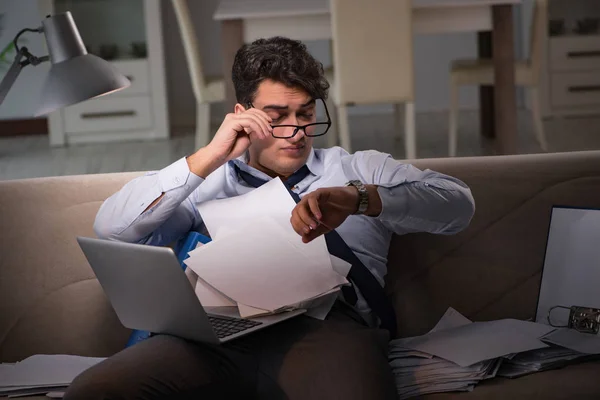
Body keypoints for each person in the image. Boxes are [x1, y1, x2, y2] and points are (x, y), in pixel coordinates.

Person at [65, 36, 475, 400]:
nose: (297, 131)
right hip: (213, 339)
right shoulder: (204, 181)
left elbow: (458, 205)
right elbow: (112, 228)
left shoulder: (359, 168)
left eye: (305, 113)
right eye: (277, 117)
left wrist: (359, 199)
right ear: (243, 114)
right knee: (95, 390)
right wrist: (210, 155)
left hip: (327, 333)